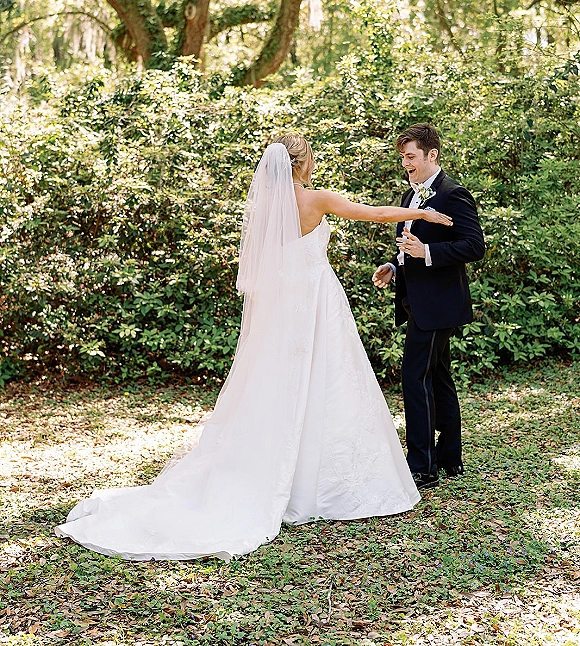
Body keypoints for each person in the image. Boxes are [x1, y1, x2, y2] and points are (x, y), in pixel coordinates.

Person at [56, 135, 453, 561]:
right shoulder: (314, 199)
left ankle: (276, 467)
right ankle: (318, 479)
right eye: (313, 157)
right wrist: (423, 211)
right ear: (301, 163)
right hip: (317, 301)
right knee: (329, 380)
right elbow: (372, 214)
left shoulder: (267, 208)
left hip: (285, 307)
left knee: (280, 384)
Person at [372, 124, 485, 492]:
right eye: (403, 157)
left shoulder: (453, 194)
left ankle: (422, 466)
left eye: (411, 156)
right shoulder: (410, 196)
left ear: (431, 155)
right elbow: (409, 245)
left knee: (414, 376)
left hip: (439, 304)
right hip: (417, 301)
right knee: (437, 377)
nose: (406, 164)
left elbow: (474, 246)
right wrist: (393, 264)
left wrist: (430, 252)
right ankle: (450, 458)